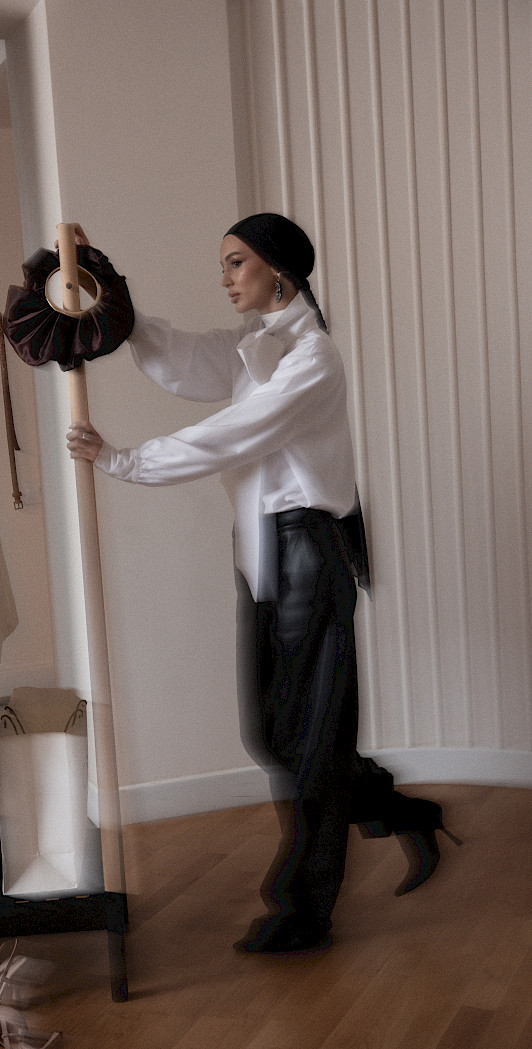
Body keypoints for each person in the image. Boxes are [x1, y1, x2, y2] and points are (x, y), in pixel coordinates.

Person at [66, 214, 460, 954]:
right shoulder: (256, 347)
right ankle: (393, 808)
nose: (224, 278)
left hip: (309, 552)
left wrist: (123, 460)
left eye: (236, 262)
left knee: (309, 739)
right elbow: (182, 360)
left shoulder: (313, 359)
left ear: (278, 269)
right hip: (263, 551)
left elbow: (233, 433)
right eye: (224, 263)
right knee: (273, 731)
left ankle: (306, 909)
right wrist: (110, 295)